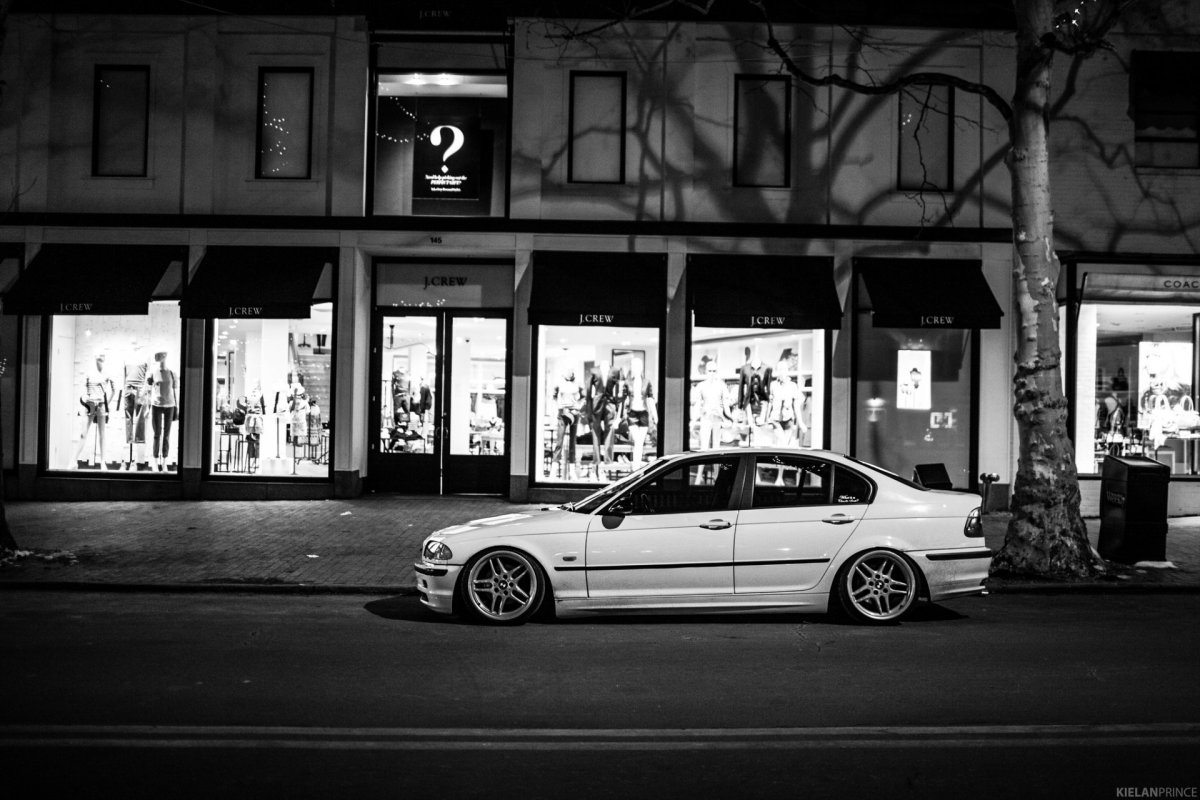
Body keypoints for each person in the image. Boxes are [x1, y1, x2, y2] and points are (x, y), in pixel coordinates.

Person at [76, 352, 115, 468]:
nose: (101, 357)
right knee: (83, 433)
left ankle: (103, 462)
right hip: (89, 405)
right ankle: (74, 460)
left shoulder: (107, 373)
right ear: (94, 357)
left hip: (101, 405)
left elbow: (114, 389)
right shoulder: (89, 373)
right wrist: (84, 404)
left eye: (103, 355)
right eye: (99, 355)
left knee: (102, 434)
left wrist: (106, 403)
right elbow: (83, 390)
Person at [148, 351, 177, 472]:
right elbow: (149, 390)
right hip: (156, 405)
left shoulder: (172, 373)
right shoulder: (153, 373)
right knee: (157, 434)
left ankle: (165, 462)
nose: (159, 358)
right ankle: (154, 461)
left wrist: (176, 407)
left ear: (165, 357)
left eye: (161, 355)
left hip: (169, 405)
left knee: (166, 435)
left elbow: (175, 391)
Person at [551, 368, 582, 480]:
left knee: (572, 442)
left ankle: (572, 471)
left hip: (574, 412)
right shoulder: (559, 384)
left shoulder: (577, 384)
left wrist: (578, 406)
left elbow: (583, 397)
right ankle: (553, 470)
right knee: (559, 441)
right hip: (563, 412)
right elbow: (554, 397)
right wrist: (559, 406)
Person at [696, 360, 731, 450]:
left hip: (718, 417)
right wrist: (697, 416)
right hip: (706, 417)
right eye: (710, 371)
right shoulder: (701, 385)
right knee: (704, 444)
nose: (712, 373)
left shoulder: (721, 385)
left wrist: (729, 418)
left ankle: (716, 464)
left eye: (714, 371)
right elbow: (697, 403)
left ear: (717, 372)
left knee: (716, 445)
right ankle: (701, 464)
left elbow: (726, 402)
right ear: (706, 371)